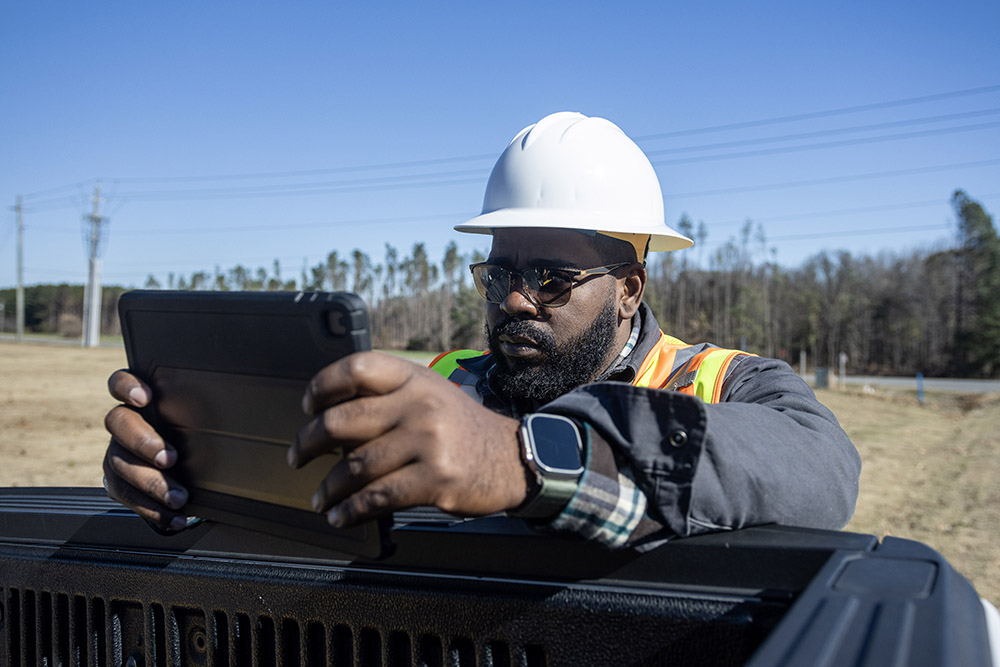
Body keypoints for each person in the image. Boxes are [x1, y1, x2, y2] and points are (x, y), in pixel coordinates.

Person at [103, 112, 860, 549]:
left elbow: (824, 467)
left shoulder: (723, 382)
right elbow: (322, 501)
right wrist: (199, 472)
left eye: (553, 280)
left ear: (629, 289)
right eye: (502, 275)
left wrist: (520, 455)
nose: (518, 302)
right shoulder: (448, 381)